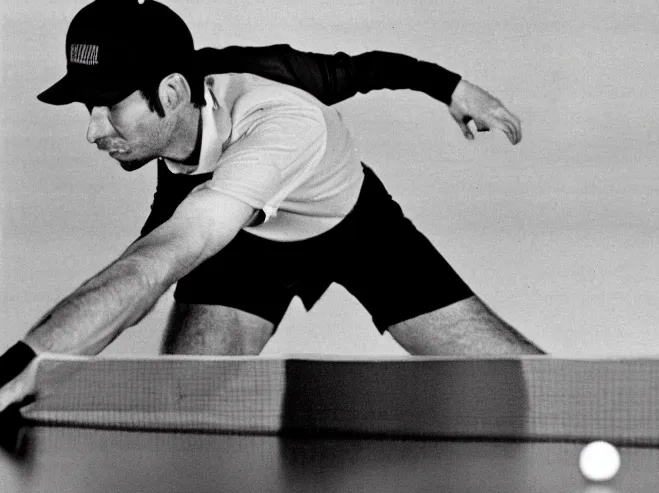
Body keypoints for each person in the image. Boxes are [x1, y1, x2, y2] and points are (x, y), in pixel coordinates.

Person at [1, 0, 545, 413]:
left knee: (525, 385)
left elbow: (370, 68)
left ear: (170, 95)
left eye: (108, 107)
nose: (93, 130)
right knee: (185, 409)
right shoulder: (183, 92)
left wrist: (452, 88)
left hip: (356, 227)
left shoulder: (281, 108)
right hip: (245, 244)